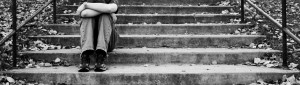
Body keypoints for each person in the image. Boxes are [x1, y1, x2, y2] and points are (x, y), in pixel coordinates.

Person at [76, 0, 118, 72]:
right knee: (87, 18)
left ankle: (101, 57)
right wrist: (105, 10)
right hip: (89, 41)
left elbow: (110, 8)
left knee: (105, 16)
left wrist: (86, 6)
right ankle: (85, 56)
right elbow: (84, 14)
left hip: (108, 42)